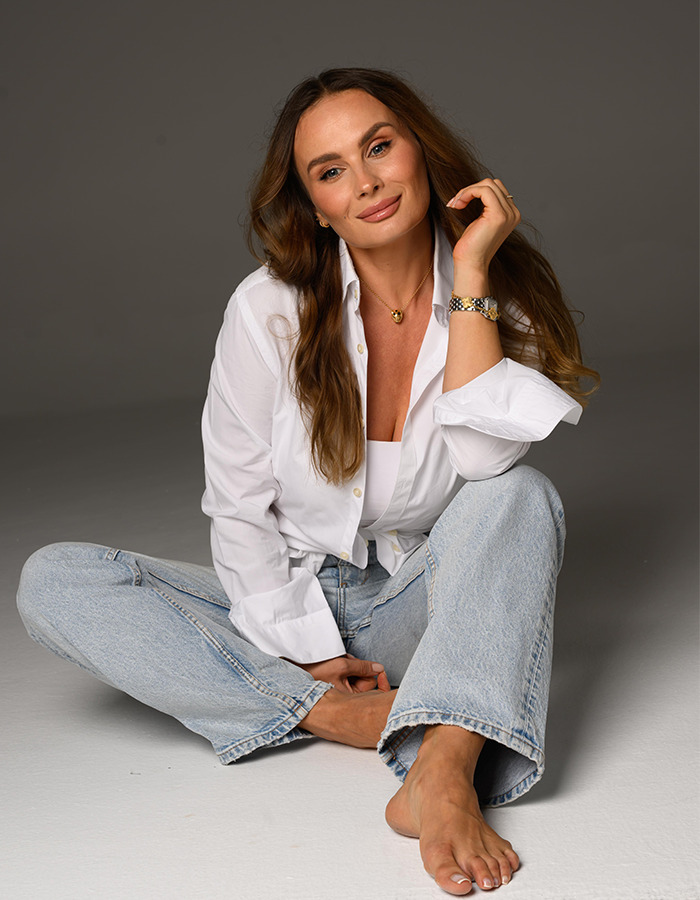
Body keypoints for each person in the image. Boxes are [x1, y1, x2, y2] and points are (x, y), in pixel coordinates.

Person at [17, 68, 599, 895]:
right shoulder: (268, 310)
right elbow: (238, 502)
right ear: (313, 203)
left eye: (378, 147)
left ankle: (443, 766)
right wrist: (310, 662)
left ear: (420, 150)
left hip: (418, 609)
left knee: (522, 496)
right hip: (283, 601)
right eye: (331, 171)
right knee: (58, 581)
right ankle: (347, 716)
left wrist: (471, 279)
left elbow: (483, 465)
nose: (364, 183)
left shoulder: (500, 295)